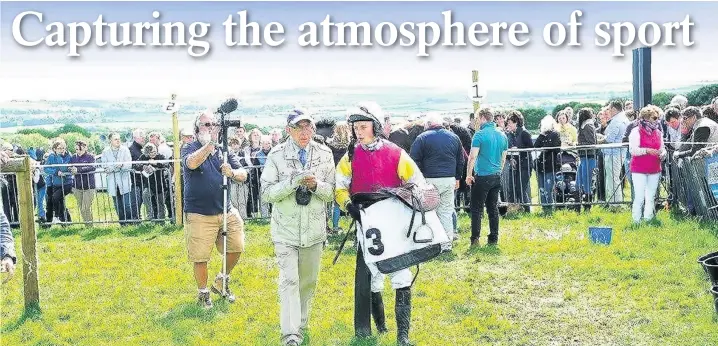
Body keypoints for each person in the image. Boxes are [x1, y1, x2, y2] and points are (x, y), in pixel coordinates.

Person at [336, 101, 425, 346]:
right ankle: (381, 326)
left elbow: (416, 181)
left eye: (363, 126)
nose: (358, 131)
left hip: (394, 221)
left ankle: (403, 336)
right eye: (356, 127)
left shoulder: (396, 152)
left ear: (375, 126)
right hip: (367, 223)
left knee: (401, 273)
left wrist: (406, 199)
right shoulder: (349, 157)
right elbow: (340, 188)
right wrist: (348, 206)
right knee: (373, 275)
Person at [260, 109, 336, 346]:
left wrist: (316, 185)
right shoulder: (276, 154)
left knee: (308, 282)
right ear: (288, 130)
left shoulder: (325, 153)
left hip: (314, 231)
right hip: (285, 231)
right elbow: (266, 194)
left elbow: (331, 192)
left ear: (313, 130)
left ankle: (301, 324)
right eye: (298, 128)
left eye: (308, 127)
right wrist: (292, 183)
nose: (304, 133)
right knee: (289, 280)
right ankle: (291, 334)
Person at [181, 109, 249, 309]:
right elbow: (191, 163)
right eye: (206, 125)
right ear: (197, 129)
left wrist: (233, 172)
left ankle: (221, 281)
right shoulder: (189, 147)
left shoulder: (224, 150)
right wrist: (210, 145)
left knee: (237, 246)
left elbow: (243, 174)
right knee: (200, 256)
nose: (211, 128)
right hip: (199, 213)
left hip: (226, 210)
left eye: (214, 125)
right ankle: (203, 294)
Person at [410, 113, 464, 250]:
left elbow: (414, 161)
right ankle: (446, 244)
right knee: (446, 211)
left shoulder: (422, 138)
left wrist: (419, 179)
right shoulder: (454, 137)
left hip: (429, 180)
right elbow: (460, 160)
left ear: (427, 125)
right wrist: (458, 177)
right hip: (449, 179)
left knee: (429, 212)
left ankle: (432, 243)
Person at [465, 108, 508, 247]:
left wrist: (469, 175)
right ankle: (493, 238)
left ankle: (475, 239)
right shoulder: (502, 135)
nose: (477, 121)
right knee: (493, 208)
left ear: (483, 118)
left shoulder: (479, 135)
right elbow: (503, 158)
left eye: (478, 118)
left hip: (482, 175)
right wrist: (498, 171)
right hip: (496, 175)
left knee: (477, 208)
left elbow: (472, 157)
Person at [629, 105, 666, 223]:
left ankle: (648, 218)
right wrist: (647, 150)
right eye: (655, 118)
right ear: (646, 118)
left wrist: (663, 154)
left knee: (650, 196)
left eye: (658, 117)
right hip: (639, 168)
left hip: (654, 167)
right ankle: (636, 220)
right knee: (639, 197)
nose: (657, 120)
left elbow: (662, 148)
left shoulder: (659, 132)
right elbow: (633, 150)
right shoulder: (636, 131)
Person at [102, 132, 137, 225]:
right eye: (115, 139)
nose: (118, 141)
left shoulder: (125, 150)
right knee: (118, 205)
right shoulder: (105, 151)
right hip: (113, 182)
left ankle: (130, 222)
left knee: (127, 205)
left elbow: (128, 164)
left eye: (119, 139)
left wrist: (120, 165)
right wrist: (116, 166)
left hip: (124, 181)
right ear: (110, 141)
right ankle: (122, 223)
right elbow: (105, 166)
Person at [601, 100, 630, 207]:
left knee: (613, 179)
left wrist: (600, 139)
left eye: (609, 109)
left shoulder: (617, 120)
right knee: (613, 178)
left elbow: (610, 138)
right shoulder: (622, 118)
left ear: (614, 109)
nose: (608, 111)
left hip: (614, 152)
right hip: (617, 152)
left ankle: (615, 204)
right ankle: (613, 202)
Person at [533, 116, 562, 213]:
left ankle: (549, 207)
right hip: (541, 165)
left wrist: (545, 142)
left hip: (550, 165)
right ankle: (545, 208)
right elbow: (536, 145)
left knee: (548, 187)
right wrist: (541, 135)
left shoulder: (555, 134)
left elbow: (555, 147)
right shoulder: (543, 135)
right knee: (541, 187)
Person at [44, 138, 73, 224]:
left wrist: (66, 171)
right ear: (55, 149)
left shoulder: (68, 156)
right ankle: (66, 222)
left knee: (55, 197)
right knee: (61, 202)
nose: (62, 150)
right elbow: (46, 168)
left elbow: (69, 167)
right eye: (59, 148)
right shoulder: (51, 157)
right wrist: (56, 172)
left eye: (63, 148)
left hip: (67, 183)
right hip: (56, 183)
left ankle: (56, 217)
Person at [576, 108, 600, 212]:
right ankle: (580, 204)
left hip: (588, 157)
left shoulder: (588, 126)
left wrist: (578, 145)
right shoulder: (586, 125)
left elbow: (592, 143)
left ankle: (587, 206)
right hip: (584, 157)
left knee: (586, 182)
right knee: (580, 181)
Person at [69, 140, 97, 224]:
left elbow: (92, 167)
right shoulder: (73, 157)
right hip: (77, 186)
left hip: (89, 186)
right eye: (77, 149)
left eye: (80, 149)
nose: (78, 151)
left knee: (85, 207)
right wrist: (71, 169)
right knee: (81, 208)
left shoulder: (90, 157)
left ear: (85, 148)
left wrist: (79, 170)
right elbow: (69, 166)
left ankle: (90, 225)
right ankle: (87, 226)